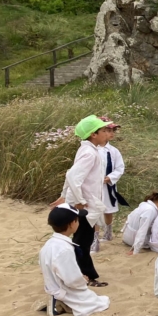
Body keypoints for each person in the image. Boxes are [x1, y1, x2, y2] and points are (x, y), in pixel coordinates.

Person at [50, 114, 112, 287]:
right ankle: (86, 276)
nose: (106, 133)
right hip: (84, 206)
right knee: (82, 242)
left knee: (82, 240)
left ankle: (80, 273)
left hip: (85, 203)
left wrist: (64, 194)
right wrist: (79, 200)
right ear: (93, 134)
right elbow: (72, 175)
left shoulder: (89, 150)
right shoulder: (89, 153)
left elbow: (71, 173)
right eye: (103, 130)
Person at [37, 204, 110, 316]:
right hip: (63, 290)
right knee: (101, 303)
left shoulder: (49, 244)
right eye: (77, 220)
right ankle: (59, 305)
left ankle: (59, 301)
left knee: (98, 299)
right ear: (72, 224)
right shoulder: (65, 249)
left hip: (54, 285)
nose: (78, 222)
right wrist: (82, 280)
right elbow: (71, 280)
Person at [97, 116, 127, 248]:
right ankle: (95, 237)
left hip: (107, 185)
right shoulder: (92, 150)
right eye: (108, 130)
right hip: (94, 186)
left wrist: (109, 178)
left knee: (108, 209)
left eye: (112, 131)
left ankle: (108, 232)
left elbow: (120, 167)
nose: (111, 134)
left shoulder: (113, 151)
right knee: (95, 210)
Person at [122, 189, 158, 255]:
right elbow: (142, 231)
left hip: (126, 237)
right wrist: (135, 250)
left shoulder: (145, 205)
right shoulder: (151, 210)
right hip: (133, 241)